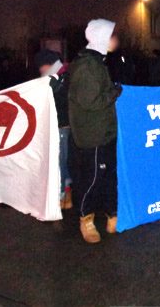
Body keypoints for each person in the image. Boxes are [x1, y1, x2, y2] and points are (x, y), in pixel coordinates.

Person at [67, 18, 121, 244]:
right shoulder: (87, 66)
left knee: (108, 176)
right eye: (112, 35)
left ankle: (112, 215)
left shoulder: (97, 62)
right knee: (92, 179)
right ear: (102, 37)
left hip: (103, 131)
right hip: (93, 134)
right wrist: (115, 93)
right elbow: (91, 101)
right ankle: (86, 219)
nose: (116, 40)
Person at [35, 49, 73, 210]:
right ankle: (66, 195)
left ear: (47, 65)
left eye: (41, 66)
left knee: (60, 162)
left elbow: (63, 101)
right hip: (61, 125)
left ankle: (62, 195)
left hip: (63, 125)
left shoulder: (63, 78)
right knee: (62, 161)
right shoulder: (60, 76)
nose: (39, 70)